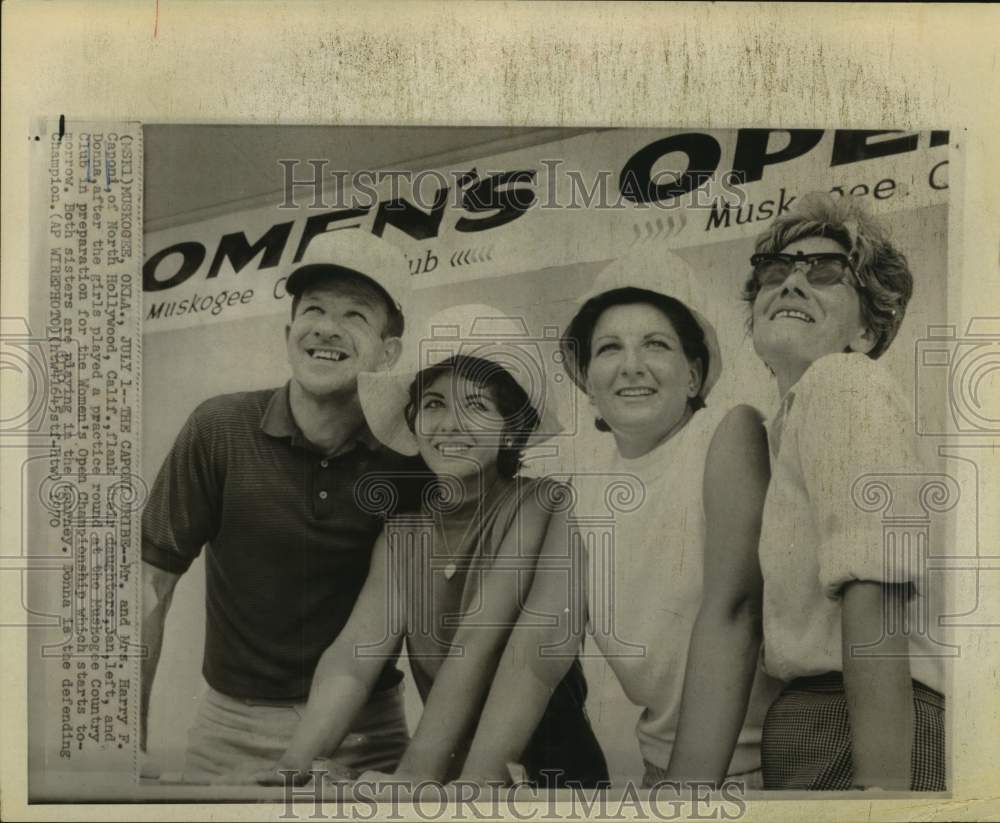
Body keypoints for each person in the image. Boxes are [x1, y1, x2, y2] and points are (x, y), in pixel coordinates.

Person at [457, 252, 780, 789]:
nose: (631, 365)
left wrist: (684, 799)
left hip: (764, 774)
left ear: (694, 375)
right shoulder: (583, 490)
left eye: (656, 344)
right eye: (609, 348)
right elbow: (541, 647)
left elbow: (736, 611)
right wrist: (478, 778)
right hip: (664, 772)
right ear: (588, 382)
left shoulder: (729, 433)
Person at [253, 304, 609, 788]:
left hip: (553, 780)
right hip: (450, 782)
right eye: (434, 404)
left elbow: (482, 641)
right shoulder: (403, 534)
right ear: (414, 420)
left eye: (477, 405)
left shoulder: (542, 504)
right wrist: (294, 763)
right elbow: (354, 658)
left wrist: (417, 775)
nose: (449, 424)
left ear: (511, 429)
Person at [668, 192, 945, 791]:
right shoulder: (779, 429)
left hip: (867, 723)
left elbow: (874, 583)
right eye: (775, 271)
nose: (792, 282)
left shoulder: (842, 380)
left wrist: (883, 800)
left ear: (867, 330)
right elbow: (733, 614)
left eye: (825, 272)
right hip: (809, 724)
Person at [140, 229, 423, 780]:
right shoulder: (218, 428)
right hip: (228, 732)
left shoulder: (409, 458)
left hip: (367, 733)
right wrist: (125, 741)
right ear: (288, 333)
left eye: (355, 315)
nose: (326, 327)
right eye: (313, 309)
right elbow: (151, 583)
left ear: (389, 351)